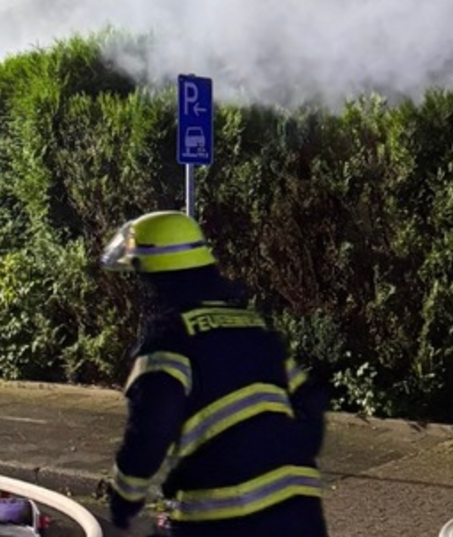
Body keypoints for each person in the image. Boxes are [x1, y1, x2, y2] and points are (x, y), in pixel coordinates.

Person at [99, 210, 329, 536]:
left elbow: (150, 430)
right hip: (300, 513)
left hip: (225, 519)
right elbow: (310, 405)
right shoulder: (254, 327)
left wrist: (124, 500)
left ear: (154, 276)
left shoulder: (169, 337)